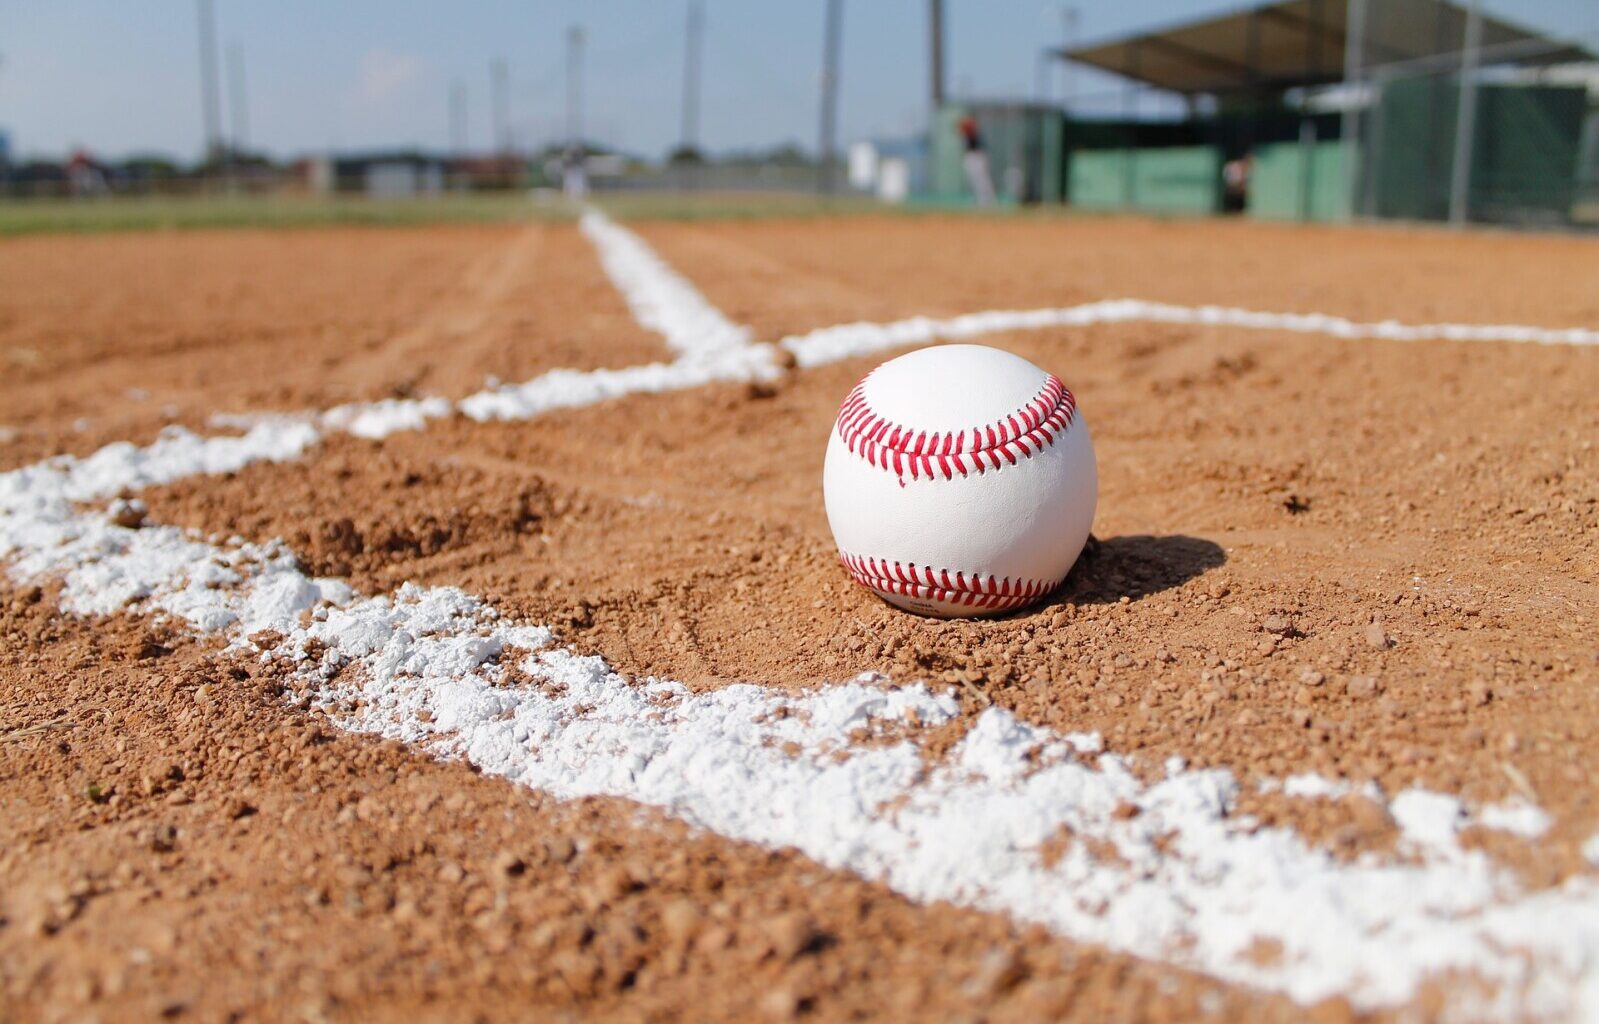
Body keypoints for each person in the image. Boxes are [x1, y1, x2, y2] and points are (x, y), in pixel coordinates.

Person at [958, 114, 996, 207]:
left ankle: (987, 201)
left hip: (977, 157)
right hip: (971, 157)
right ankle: (977, 200)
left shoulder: (975, 134)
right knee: (973, 181)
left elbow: (979, 148)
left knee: (982, 180)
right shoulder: (967, 136)